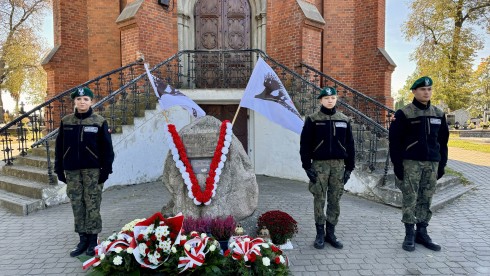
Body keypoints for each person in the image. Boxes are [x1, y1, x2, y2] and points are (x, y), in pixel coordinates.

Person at [389, 76, 449, 252]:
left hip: (432, 163)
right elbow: (395, 142)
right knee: (410, 198)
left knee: (426, 197)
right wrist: (398, 166)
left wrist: (442, 164)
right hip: (411, 163)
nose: (426, 92)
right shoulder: (404, 113)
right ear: (414, 91)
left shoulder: (438, 114)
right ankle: (409, 233)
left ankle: (422, 232)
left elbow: (443, 142)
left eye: (429, 89)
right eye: (423, 89)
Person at [55, 87, 115, 257]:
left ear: (91, 101)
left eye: (86, 99)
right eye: (79, 99)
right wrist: (59, 168)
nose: (82, 102)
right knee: (77, 204)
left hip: (93, 171)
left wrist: (106, 169)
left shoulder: (99, 121)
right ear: (74, 102)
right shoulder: (66, 121)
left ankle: (93, 240)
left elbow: (107, 149)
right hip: (72, 171)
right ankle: (82, 239)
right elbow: (60, 147)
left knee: (92, 204)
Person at [300, 86, 355, 250]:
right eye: (326, 98)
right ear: (321, 100)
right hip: (319, 166)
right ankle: (319, 234)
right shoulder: (313, 119)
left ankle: (331, 233)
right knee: (319, 198)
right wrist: (306, 166)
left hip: (339, 166)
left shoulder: (344, 120)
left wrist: (349, 168)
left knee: (335, 199)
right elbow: (305, 144)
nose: (330, 101)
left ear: (336, 99)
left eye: (333, 98)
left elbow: (350, 145)